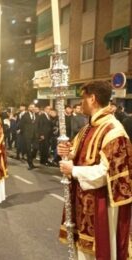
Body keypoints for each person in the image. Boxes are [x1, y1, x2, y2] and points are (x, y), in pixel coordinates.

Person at [58, 81, 132, 260]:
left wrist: (73, 170)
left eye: (83, 99)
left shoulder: (114, 131)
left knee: (99, 253)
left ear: (92, 99)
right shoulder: (87, 128)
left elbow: (105, 173)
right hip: (82, 199)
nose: (80, 103)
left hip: (101, 204)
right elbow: (78, 154)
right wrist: (67, 152)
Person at [19, 103, 38, 170]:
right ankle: (30, 164)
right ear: (28, 108)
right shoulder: (25, 115)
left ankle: (31, 158)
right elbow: (21, 124)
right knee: (28, 149)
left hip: (35, 135)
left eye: (33, 107)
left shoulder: (36, 115)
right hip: (27, 135)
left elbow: (37, 125)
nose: (32, 108)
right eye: (31, 107)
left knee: (36, 148)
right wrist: (24, 132)